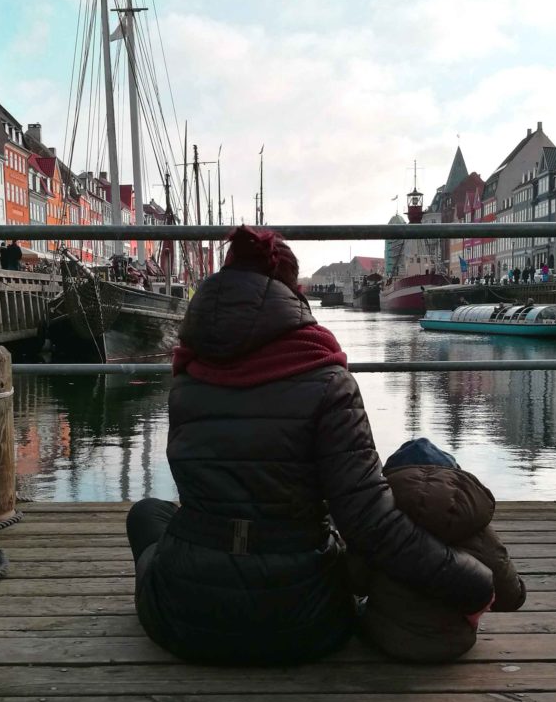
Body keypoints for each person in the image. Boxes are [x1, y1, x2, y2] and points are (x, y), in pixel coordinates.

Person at [124, 225, 493, 665]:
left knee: (146, 513)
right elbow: (369, 522)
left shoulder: (187, 374)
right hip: (303, 622)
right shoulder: (327, 378)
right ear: (294, 292)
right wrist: (474, 584)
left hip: (181, 621)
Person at [358, 439, 525, 662]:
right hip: (454, 644)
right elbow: (511, 598)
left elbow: (354, 580)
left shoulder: (380, 521)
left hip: (385, 639)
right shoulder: (477, 529)